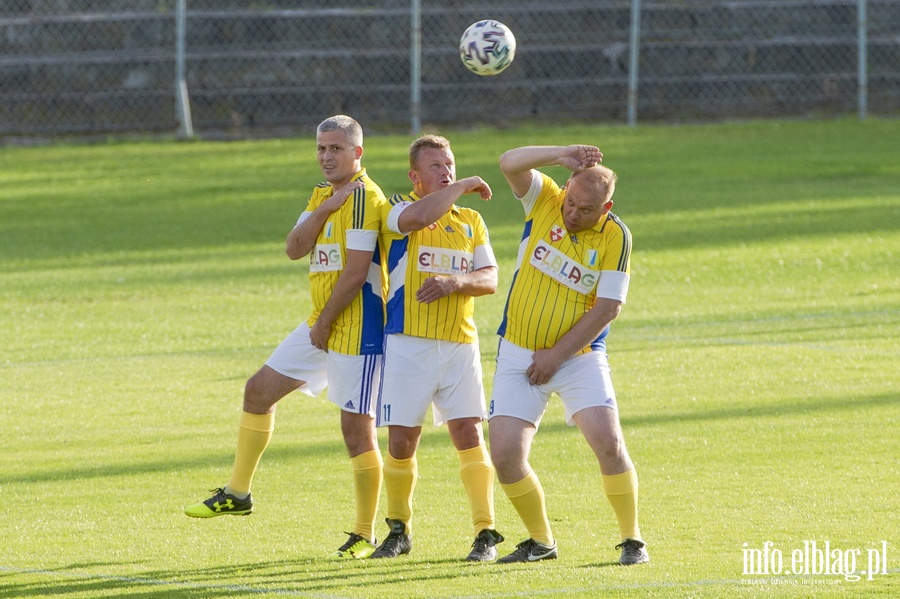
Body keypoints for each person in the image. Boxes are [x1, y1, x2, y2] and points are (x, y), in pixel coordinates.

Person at [184, 115, 388, 561]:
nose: (326, 156)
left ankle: (364, 533)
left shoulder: (364, 198)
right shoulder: (324, 195)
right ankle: (238, 494)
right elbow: (295, 248)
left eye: (336, 149)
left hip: (359, 329)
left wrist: (323, 325)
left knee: (357, 429)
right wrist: (322, 210)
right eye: (321, 148)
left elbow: (355, 274)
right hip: (322, 322)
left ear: (358, 153)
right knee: (258, 391)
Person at [487, 144, 649, 566]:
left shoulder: (616, 236)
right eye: (572, 202)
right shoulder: (546, 199)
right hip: (517, 351)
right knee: (505, 456)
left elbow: (608, 308)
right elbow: (508, 162)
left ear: (607, 206)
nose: (573, 214)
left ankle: (632, 540)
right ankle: (541, 542)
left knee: (609, 442)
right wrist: (560, 155)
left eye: (586, 209)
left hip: (578, 358)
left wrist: (556, 356)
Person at [369, 135, 504, 562]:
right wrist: (460, 185)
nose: (446, 171)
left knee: (469, 434)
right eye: (435, 166)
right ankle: (398, 528)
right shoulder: (397, 208)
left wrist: (454, 283)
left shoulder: (470, 221)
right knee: (403, 440)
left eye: (450, 164)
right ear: (415, 176)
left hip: (459, 344)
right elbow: (423, 214)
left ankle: (485, 533)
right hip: (407, 343)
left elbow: (490, 278)